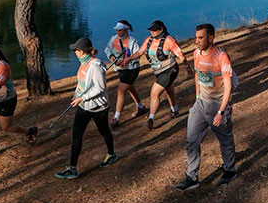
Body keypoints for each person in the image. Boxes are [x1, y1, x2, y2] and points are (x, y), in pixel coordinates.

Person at [173, 24, 238, 191]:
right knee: (191, 140)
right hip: (200, 104)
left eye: (200, 38)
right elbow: (197, 75)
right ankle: (191, 177)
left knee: (225, 139)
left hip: (217, 105)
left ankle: (230, 170)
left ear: (211, 38)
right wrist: (196, 98)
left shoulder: (221, 56)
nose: (197, 41)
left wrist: (221, 112)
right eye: (196, 38)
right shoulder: (196, 53)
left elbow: (229, 87)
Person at [54, 38, 117, 179]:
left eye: (76, 50)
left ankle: (111, 154)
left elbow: (100, 88)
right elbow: (82, 83)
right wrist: (76, 95)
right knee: (76, 135)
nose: (74, 52)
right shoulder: (83, 63)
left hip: (98, 107)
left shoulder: (95, 66)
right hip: (84, 106)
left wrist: (82, 98)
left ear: (81, 51)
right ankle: (72, 168)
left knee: (104, 130)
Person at [123, 20, 187, 130]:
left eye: (155, 30)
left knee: (154, 93)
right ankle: (175, 111)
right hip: (159, 72)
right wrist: (128, 59)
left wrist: (188, 68)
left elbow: (180, 54)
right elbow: (140, 52)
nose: (152, 32)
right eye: (151, 30)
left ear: (161, 30)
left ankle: (150, 119)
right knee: (169, 90)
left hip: (170, 70)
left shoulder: (169, 41)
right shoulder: (149, 40)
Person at [104, 20, 146, 126]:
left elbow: (139, 53)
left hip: (132, 69)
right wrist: (112, 57)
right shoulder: (113, 39)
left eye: (120, 30)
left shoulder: (132, 41)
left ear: (125, 30)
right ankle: (140, 107)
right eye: (117, 29)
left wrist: (129, 59)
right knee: (130, 87)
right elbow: (107, 49)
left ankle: (116, 117)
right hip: (121, 70)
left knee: (121, 90)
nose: (118, 31)